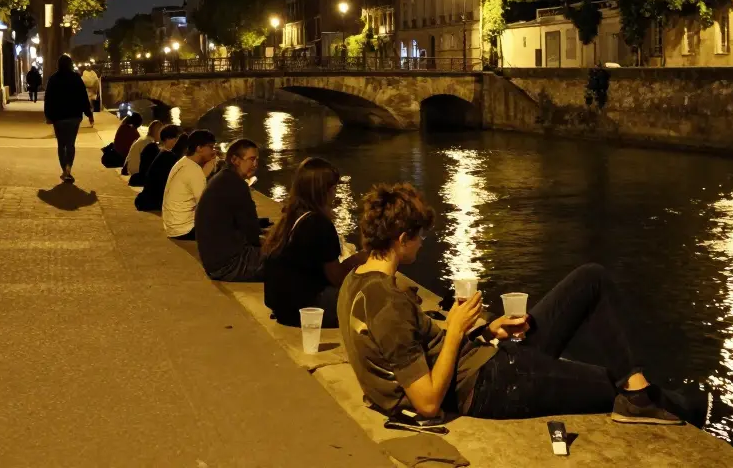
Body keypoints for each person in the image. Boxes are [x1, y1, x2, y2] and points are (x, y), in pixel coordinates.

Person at [338, 183, 699, 426]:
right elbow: (428, 403)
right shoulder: (388, 303)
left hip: (490, 362)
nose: (422, 244)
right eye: (420, 238)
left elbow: (414, 346)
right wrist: (456, 330)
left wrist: (487, 330)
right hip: (490, 384)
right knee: (609, 385)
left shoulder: (355, 281)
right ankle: (678, 405)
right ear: (402, 239)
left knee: (591, 279)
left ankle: (638, 386)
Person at [263, 158, 368, 328]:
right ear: (325, 191)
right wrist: (360, 259)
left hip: (282, 306)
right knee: (371, 300)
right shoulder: (319, 224)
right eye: (334, 188)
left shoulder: (291, 217)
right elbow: (337, 278)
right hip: (305, 309)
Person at [195, 139, 265, 282]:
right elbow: (252, 233)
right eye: (251, 159)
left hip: (214, 262)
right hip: (229, 265)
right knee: (287, 260)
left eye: (256, 159)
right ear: (235, 160)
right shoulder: (237, 186)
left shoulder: (221, 179)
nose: (255, 164)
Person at [43, 55, 94, 183]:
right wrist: (89, 114)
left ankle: (64, 171)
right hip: (74, 116)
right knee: (71, 144)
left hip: (58, 117)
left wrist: (48, 115)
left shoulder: (53, 79)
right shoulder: (76, 78)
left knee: (61, 144)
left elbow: (48, 99)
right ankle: (68, 168)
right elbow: (83, 97)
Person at [161, 130, 218, 239]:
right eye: (210, 147)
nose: (213, 152)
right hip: (184, 229)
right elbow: (206, 206)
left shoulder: (183, 162)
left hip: (172, 225)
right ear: (199, 148)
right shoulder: (194, 170)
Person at [134, 126, 184, 211]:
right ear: (168, 139)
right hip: (156, 200)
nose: (177, 141)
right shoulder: (168, 156)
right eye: (176, 138)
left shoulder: (162, 152)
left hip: (149, 198)